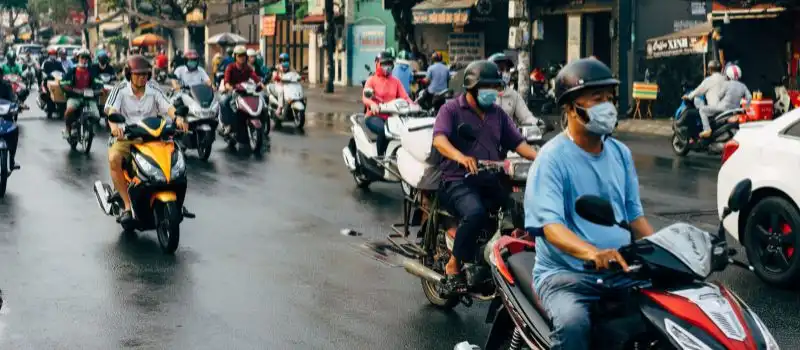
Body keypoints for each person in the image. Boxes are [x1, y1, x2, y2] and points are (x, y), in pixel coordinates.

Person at [524, 58, 654, 350]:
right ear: (571, 108)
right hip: (566, 275)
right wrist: (592, 252)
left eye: (610, 98)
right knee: (573, 324)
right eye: (597, 99)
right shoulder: (551, 159)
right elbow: (551, 227)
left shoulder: (620, 153)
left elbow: (635, 217)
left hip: (620, 269)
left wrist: (670, 252)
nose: (607, 106)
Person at [432, 60, 538, 291]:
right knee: (475, 213)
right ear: (471, 88)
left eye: (494, 87)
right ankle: (453, 264)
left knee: (521, 208)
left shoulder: (498, 114)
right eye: (486, 87)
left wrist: (542, 158)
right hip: (457, 180)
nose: (492, 92)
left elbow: (518, 143)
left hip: (489, 179)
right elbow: (439, 139)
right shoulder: (451, 110)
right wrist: (461, 157)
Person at [104, 55, 187, 225]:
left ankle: (177, 200)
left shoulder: (153, 88)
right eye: (138, 74)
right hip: (128, 137)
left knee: (175, 160)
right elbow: (111, 111)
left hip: (154, 136)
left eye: (145, 74)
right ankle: (127, 206)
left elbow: (168, 106)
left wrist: (177, 118)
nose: (142, 77)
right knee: (114, 159)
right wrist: (115, 128)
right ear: (129, 74)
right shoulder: (120, 89)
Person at [362, 50, 413, 156]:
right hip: (374, 116)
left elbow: (405, 97)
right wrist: (372, 104)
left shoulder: (396, 81)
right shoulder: (371, 80)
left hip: (392, 117)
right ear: (377, 64)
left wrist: (414, 106)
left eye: (389, 64)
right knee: (384, 130)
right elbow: (365, 98)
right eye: (384, 64)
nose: (387, 67)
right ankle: (380, 157)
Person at [219, 45, 263, 136]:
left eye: (243, 55)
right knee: (223, 102)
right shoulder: (230, 67)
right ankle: (227, 125)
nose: (242, 57)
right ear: (235, 56)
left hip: (246, 92)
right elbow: (226, 81)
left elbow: (254, 76)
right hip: (233, 91)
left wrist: (260, 83)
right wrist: (229, 87)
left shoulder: (248, 68)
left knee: (262, 100)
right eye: (239, 55)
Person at [488, 52, 538, 126]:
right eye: (501, 69)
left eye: (507, 70)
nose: (505, 73)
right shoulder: (483, 95)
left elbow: (526, 116)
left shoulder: (513, 95)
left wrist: (536, 122)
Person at [60, 49, 99, 138]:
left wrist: (100, 90)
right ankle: (67, 129)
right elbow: (63, 83)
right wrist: (73, 90)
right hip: (75, 97)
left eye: (86, 58)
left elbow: (98, 81)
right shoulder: (72, 70)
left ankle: (90, 128)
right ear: (78, 58)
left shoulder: (91, 71)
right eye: (82, 57)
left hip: (89, 97)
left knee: (96, 116)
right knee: (69, 111)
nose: (84, 60)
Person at [683, 60, 727, 138]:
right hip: (726, 108)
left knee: (691, 113)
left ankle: (704, 131)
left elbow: (698, 91)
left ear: (710, 70)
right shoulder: (725, 78)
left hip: (715, 109)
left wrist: (688, 96)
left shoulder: (709, 80)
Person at [0, 68, 19, 168]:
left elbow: (13, 98)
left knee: (14, 131)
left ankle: (12, 160)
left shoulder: (7, 86)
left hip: (5, 116)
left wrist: (16, 105)